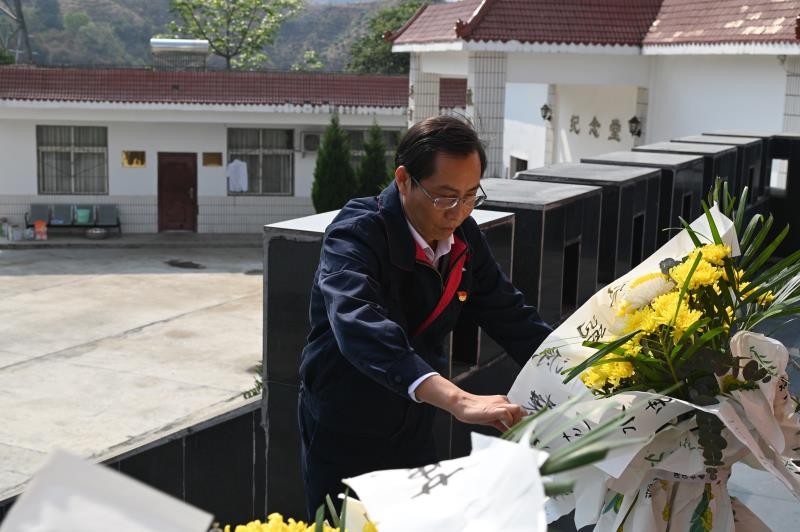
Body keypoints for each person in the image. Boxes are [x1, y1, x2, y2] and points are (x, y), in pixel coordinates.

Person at [298, 115, 552, 517]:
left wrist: (582, 372)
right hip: (346, 423)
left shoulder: (465, 237)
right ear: (403, 180)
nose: (458, 212)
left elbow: (510, 315)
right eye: (445, 197)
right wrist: (459, 400)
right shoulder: (356, 233)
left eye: (470, 196)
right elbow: (358, 323)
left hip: (414, 419)